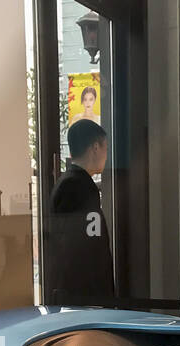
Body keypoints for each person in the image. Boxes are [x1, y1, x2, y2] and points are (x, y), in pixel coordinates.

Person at [44, 119, 115, 307]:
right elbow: (89, 247)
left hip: (74, 293)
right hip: (83, 296)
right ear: (95, 147)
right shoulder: (79, 186)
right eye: (105, 148)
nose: (106, 155)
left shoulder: (69, 182)